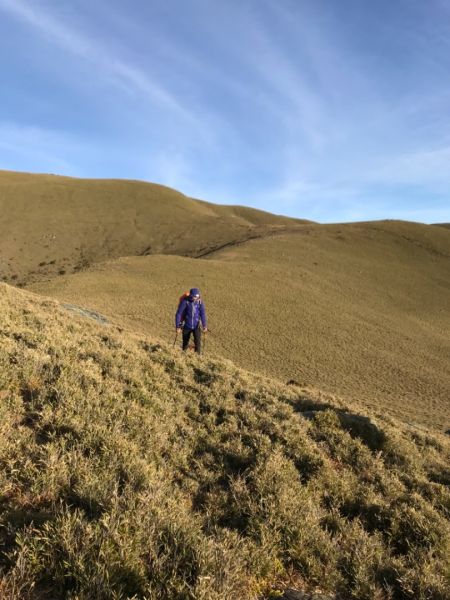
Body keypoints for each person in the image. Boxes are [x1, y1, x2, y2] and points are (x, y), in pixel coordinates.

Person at [175, 288, 207, 353]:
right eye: (195, 297)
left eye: (197, 297)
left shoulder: (200, 302)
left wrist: (204, 326)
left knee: (198, 344)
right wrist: (178, 326)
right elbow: (178, 314)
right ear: (191, 296)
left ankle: (197, 358)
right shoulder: (185, 302)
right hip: (187, 326)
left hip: (196, 326)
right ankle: (183, 357)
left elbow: (203, 314)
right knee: (185, 344)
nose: (196, 299)